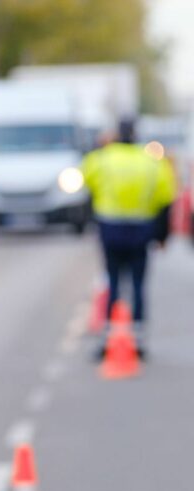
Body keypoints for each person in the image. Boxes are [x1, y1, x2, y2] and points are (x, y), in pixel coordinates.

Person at [82, 118, 177, 358]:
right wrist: (163, 236)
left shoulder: (102, 159)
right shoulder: (151, 162)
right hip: (140, 233)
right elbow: (165, 199)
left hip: (110, 231)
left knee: (113, 284)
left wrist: (98, 146)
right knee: (138, 285)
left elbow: (85, 182)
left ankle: (108, 341)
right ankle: (138, 342)